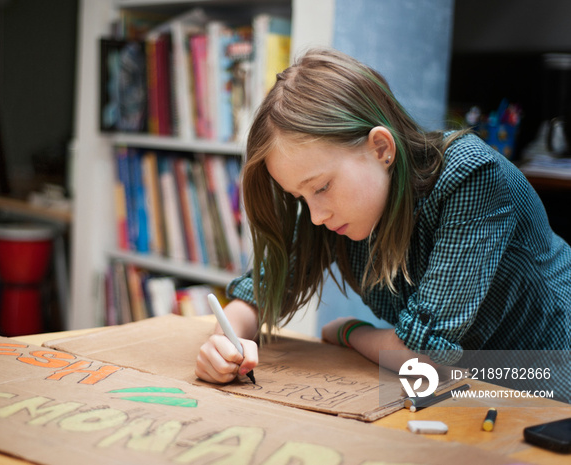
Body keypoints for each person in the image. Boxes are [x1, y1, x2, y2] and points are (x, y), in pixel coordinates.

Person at [194, 48, 571, 397]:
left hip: (552, 383)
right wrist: (225, 343)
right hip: (471, 389)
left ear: (381, 148)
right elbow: (260, 293)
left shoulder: (471, 174)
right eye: (299, 197)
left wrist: (351, 332)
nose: (315, 215)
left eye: (322, 187)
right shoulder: (331, 208)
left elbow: (424, 359)